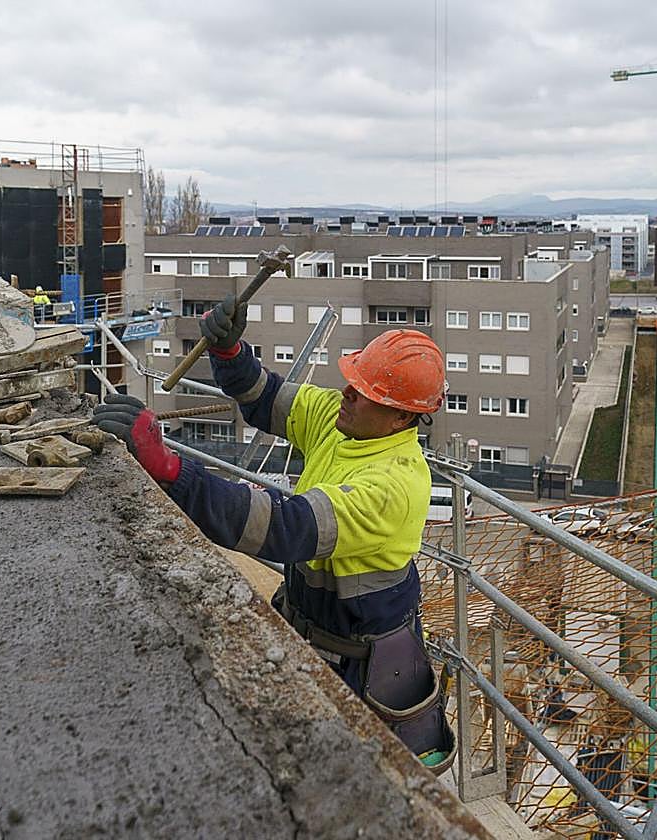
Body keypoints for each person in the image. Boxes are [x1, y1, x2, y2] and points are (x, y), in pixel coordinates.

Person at [94, 294, 455, 773]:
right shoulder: (341, 420)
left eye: (363, 392)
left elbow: (282, 526)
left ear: (401, 417)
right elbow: (264, 398)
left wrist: (169, 468)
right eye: (351, 382)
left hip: (364, 663)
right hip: (312, 629)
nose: (346, 394)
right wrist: (229, 352)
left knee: (355, 775)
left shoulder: (395, 484)